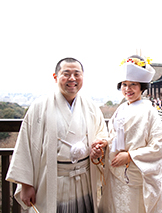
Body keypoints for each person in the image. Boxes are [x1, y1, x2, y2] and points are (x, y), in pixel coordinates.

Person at [6, 57, 108, 213]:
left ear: (82, 77)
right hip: (52, 180)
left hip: (84, 178)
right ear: (56, 77)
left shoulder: (91, 107)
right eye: (66, 73)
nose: (72, 79)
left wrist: (99, 148)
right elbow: (25, 146)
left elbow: (102, 134)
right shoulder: (39, 107)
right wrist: (26, 185)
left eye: (77, 74)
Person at [92, 55, 162, 213]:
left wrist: (130, 156)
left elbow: (158, 145)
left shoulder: (150, 111)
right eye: (124, 85)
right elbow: (114, 137)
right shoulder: (121, 109)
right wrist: (106, 143)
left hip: (134, 174)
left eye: (133, 84)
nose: (128, 89)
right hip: (115, 172)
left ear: (142, 87)